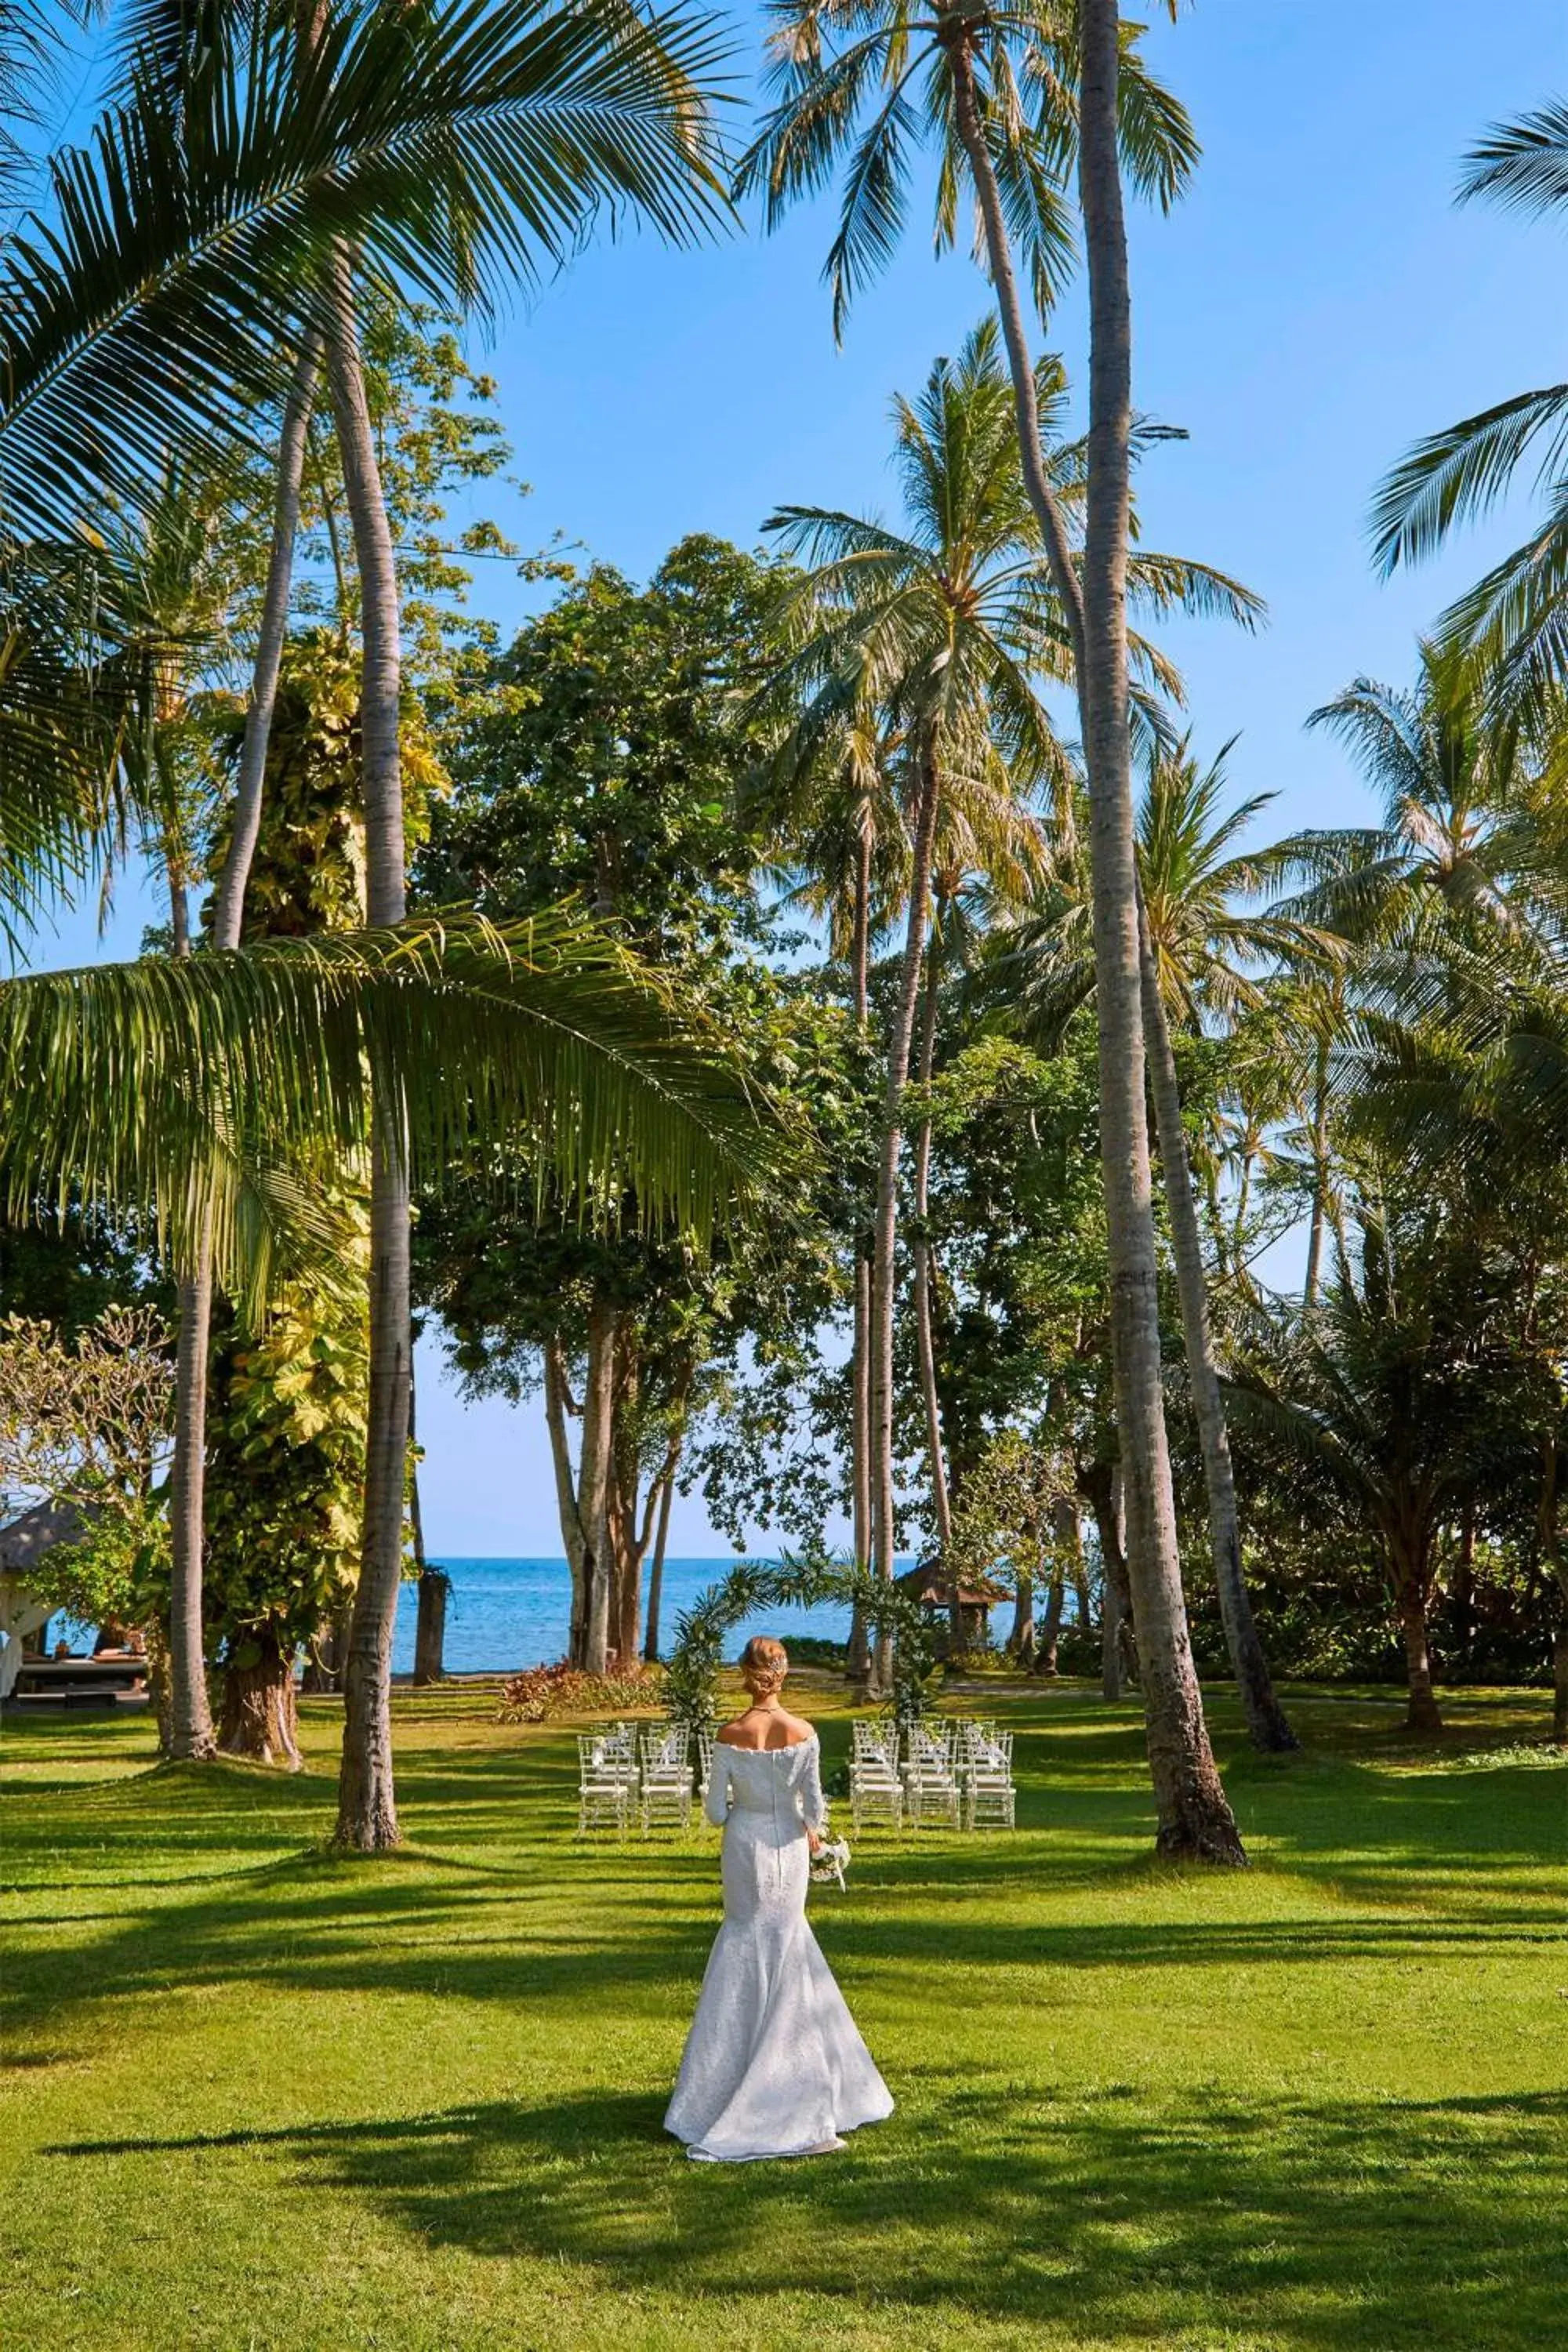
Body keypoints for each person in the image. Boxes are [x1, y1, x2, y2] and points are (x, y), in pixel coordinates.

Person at [665, 1634, 893, 2162]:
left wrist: (730, 1798)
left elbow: (717, 1814)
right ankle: (795, 2085)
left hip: (743, 1845)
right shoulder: (804, 1733)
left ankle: (718, 2094)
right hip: (788, 1846)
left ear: (746, 1674)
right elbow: (813, 1808)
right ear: (782, 1674)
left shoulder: (729, 1734)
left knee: (744, 1940)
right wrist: (816, 1837)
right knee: (787, 1943)